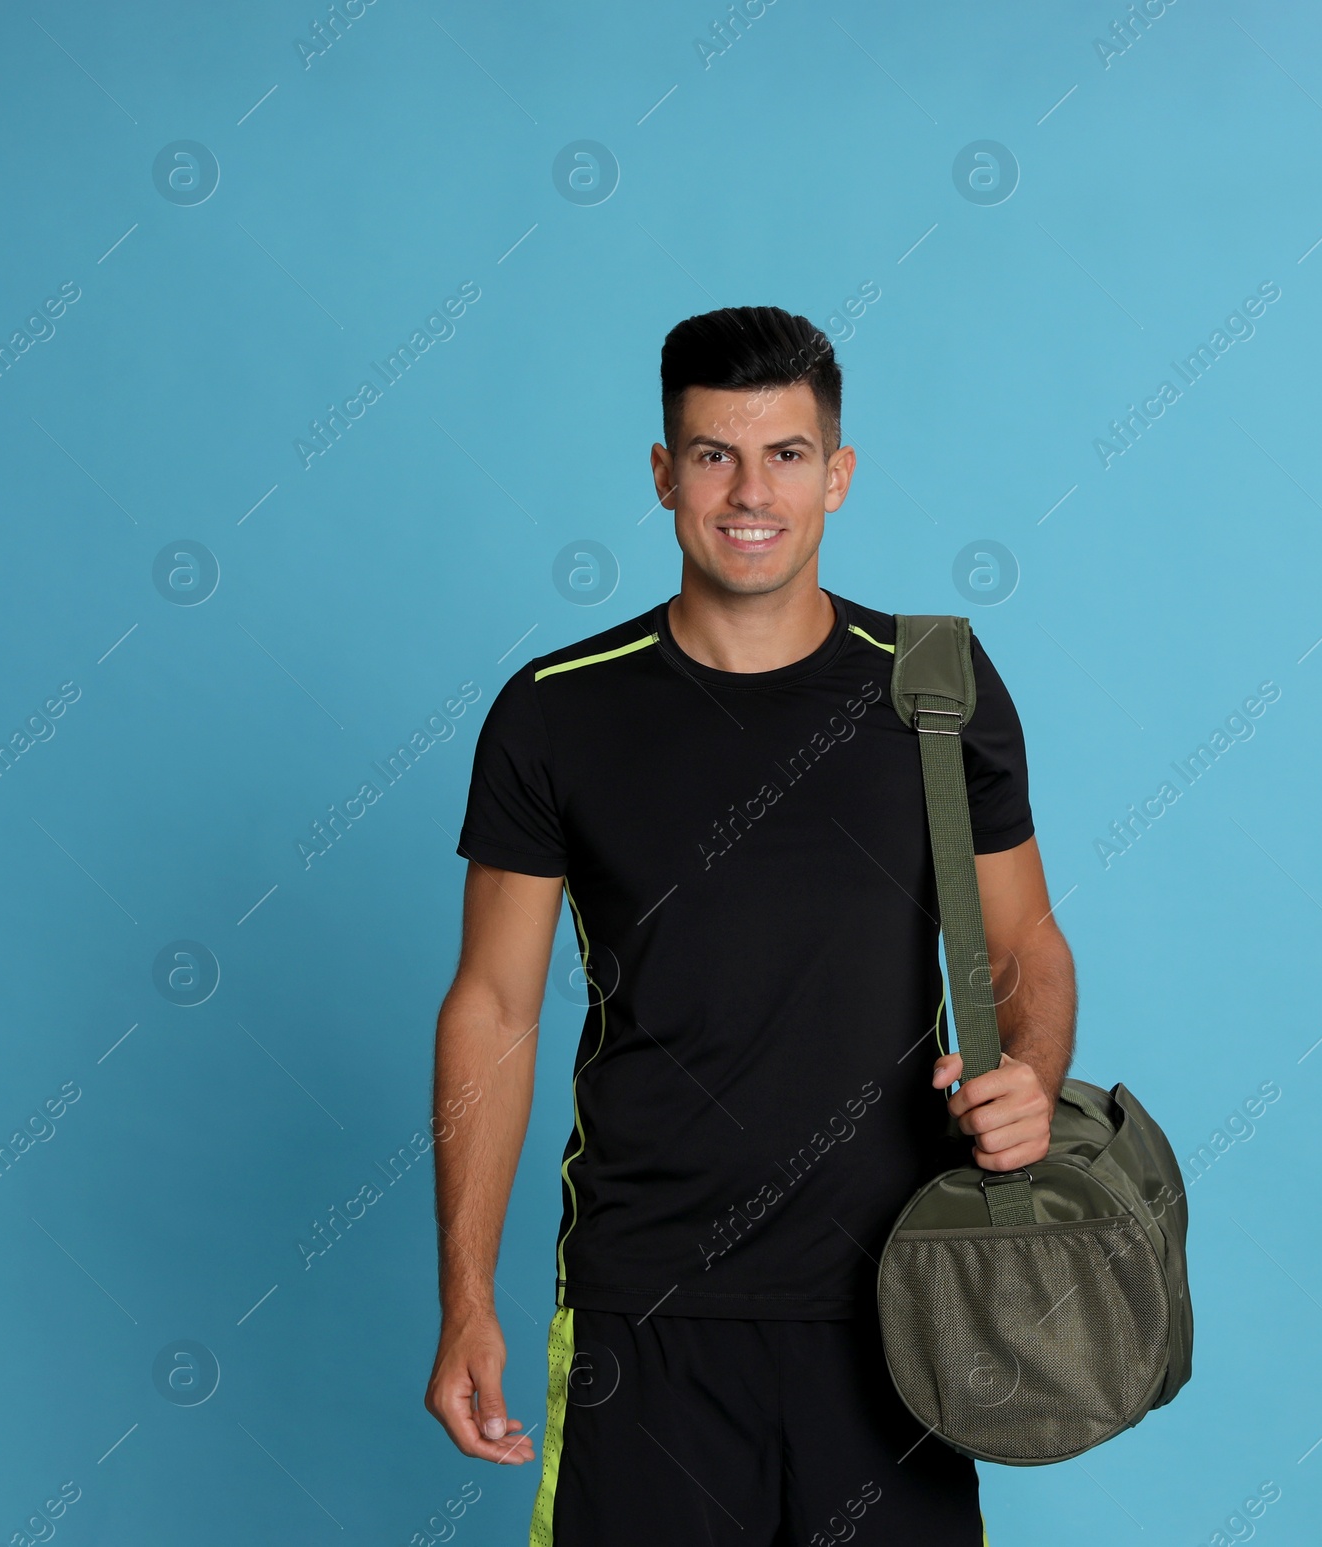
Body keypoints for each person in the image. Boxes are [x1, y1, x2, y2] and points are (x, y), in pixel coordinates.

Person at [423, 305, 1077, 1545]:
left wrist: (1032, 1071)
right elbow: (493, 1008)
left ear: (836, 471)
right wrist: (466, 1294)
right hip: (643, 1311)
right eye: (713, 453)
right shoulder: (555, 711)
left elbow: (1022, 944)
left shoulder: (935, 687)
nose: (747, 490)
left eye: (783, 452)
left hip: (904, 1303)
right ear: (664, 473)